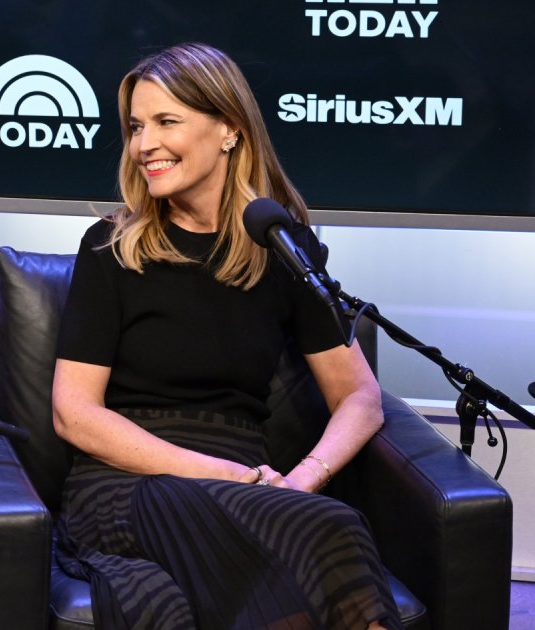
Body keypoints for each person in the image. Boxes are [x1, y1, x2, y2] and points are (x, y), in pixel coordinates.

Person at [51, 43, 401, 629]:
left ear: (230, 130)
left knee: (308, 530)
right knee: (325, 530)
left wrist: (302, 480)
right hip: (124, 483)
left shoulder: (283, 248)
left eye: (166, 122)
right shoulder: (110, 248)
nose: (143, 144)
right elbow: (74, 414)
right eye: (136, 127)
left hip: (245, 486)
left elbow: (360, 398)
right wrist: (219, 474)